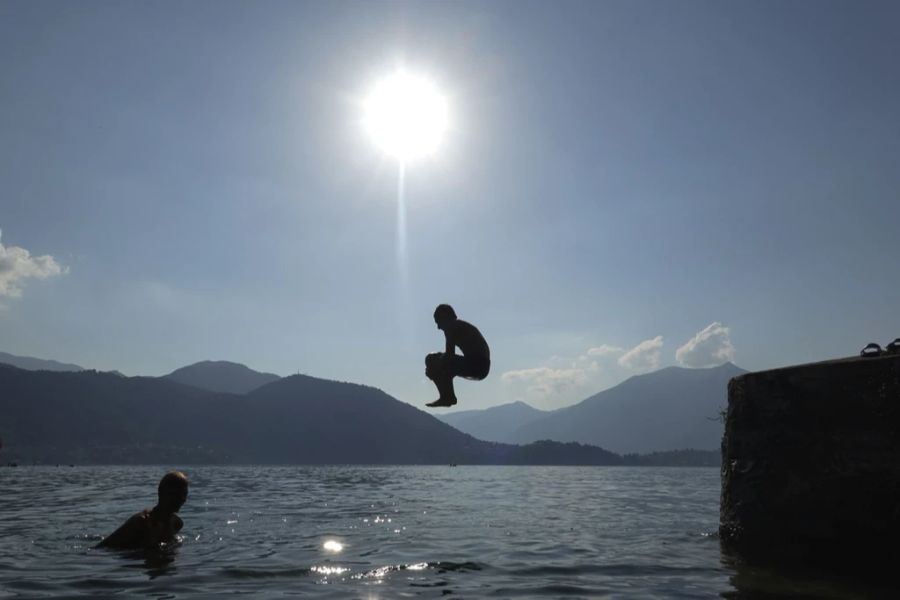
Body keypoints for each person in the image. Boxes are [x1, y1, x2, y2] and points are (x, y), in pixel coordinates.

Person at [97, 471, 188, 549]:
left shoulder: (176, 524)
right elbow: (102, 547)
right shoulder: (142, 522)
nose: (181, 498)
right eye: (175, 494)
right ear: (161, 493)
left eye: (184, 494)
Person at [425, 304, 490, 407]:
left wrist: (433, 370)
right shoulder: (458, 325)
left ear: (444, 317)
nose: (438, 327)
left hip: (477, 364)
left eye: (438, 322)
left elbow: (449, 356)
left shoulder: (451, 326)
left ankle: (447, 397)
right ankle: (447, 396)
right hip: (481, 366)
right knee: (441, 365)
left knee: (431, 359)